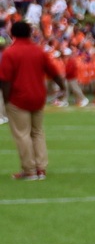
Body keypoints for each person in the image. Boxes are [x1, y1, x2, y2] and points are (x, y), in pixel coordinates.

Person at [1, 21, 66, 180]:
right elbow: (54, 71)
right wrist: (63, 87)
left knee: (22, 134)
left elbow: (5, 79)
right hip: (38, 97)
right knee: (37, 132)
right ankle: (41, 168)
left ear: (13, 34)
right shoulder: (38, 51)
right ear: (30, 33)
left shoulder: (10, 52)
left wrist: (6, 98)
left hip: (18, 98)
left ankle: (29, 169)